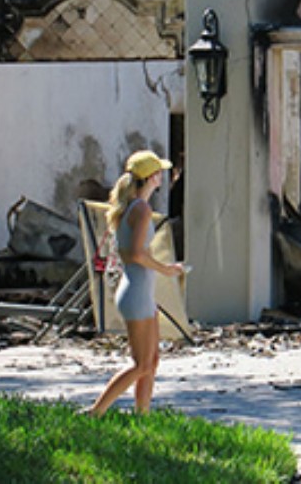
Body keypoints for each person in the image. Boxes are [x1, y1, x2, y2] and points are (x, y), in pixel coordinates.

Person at [88, 149, 185, 416]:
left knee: (151, 361)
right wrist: (165, 269)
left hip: (140, 291)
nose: (162, 177)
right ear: (152, 177)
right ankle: (96, 411)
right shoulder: (141, 209)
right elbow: (135, 254)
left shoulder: (131, 207)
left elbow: (136, 251)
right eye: (160, 173)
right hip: (137, 292)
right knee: (141, 364)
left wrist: (159, 268)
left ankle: (143, 416)